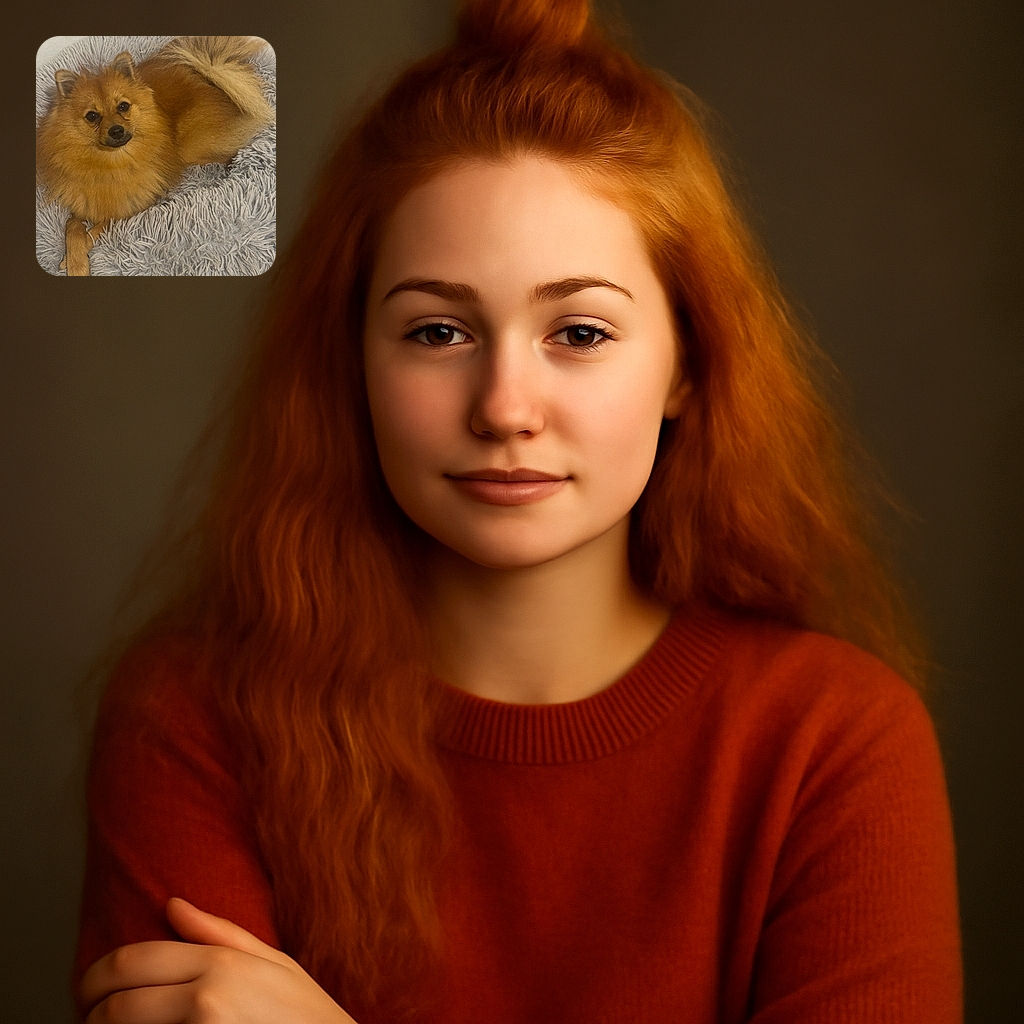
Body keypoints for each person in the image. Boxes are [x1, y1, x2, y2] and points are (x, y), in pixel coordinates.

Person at [73, 0, 962, 1021]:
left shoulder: (831, 742)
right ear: (351, 362)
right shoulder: (193, 721)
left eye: (578, 332)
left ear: (689, 364)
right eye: (438, 330)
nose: (503, 407)